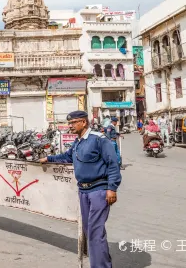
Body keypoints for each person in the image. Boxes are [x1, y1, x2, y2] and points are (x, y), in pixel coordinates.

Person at [39, 111, 121, 268]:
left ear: (84, 123)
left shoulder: (99, 139)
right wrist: (48, 159)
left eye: (73, 122)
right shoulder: (78, 142)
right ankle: (102, 263)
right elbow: (67, 157)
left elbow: (113, 163)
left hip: (99, 190)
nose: (69, 125)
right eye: (69, 123)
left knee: (95, 232)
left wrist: (112, 188)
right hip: (83, 191)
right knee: (89, 231)